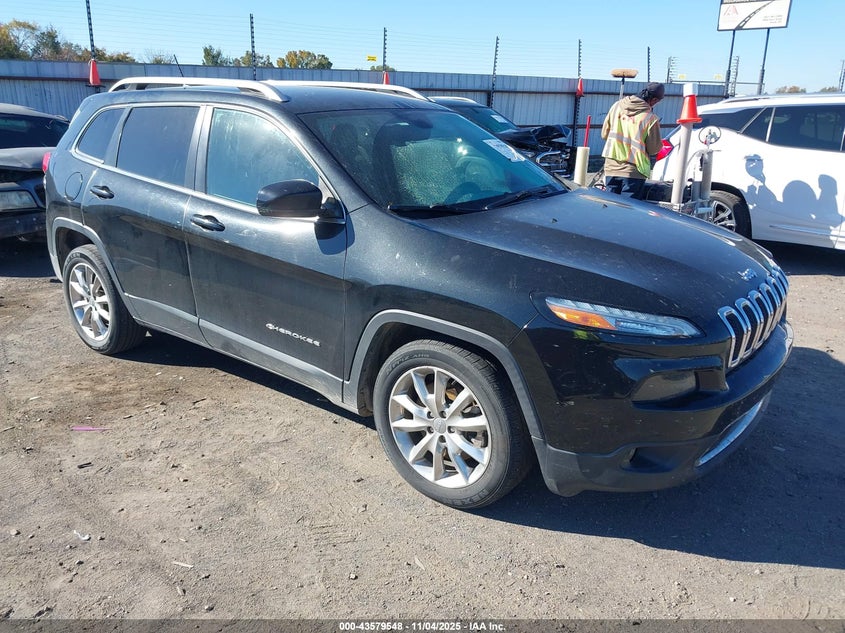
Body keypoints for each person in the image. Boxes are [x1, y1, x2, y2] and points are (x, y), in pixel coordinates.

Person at [600, 82, 665, 199]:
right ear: (654, 100)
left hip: (611, 167)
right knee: (628, 211)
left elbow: (605, 134)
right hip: (634, 171)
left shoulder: (616, 107)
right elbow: (654, 149)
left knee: (610, 208)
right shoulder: (650, 118)